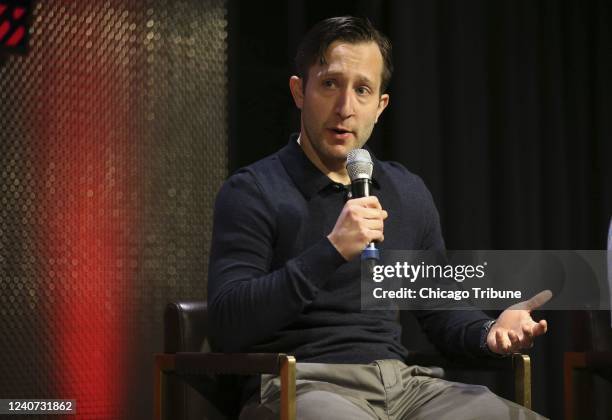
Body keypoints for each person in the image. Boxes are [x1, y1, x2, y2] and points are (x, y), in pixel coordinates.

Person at [208, 16, 548, 419]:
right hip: (304, 384)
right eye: (330, 84)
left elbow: (439, 310)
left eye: (362, 90)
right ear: (300, 91)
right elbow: (228, 324)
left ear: (380, 105)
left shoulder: (406, 192)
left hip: (404, 387)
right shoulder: (255, 190)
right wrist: (331, 250)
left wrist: (489, 332)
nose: (345, 108)